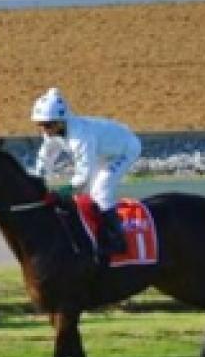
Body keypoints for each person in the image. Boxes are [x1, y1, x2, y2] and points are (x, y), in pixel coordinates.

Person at [30, 87, 142, 258]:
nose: (44, 130)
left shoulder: (80, 137)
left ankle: (118, 241)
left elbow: (82, 177)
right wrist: (37, 180)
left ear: (61, 121)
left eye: (47, 125)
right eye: (41, 125)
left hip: (125, 150)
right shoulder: (53, 132)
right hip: (102, 152)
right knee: (87, 194)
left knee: (101, 191)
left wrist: (61, 192)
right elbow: (46, 157)